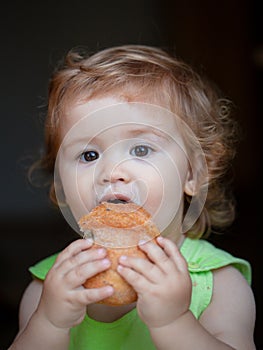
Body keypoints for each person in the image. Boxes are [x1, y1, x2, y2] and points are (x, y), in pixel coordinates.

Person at [9, 45, 256, 350]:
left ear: (193, 173)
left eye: (141, 150)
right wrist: (49, 324)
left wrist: (174, 323)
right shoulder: (47, 289)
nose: (112, 172)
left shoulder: (219, 284)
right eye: (89, 154)